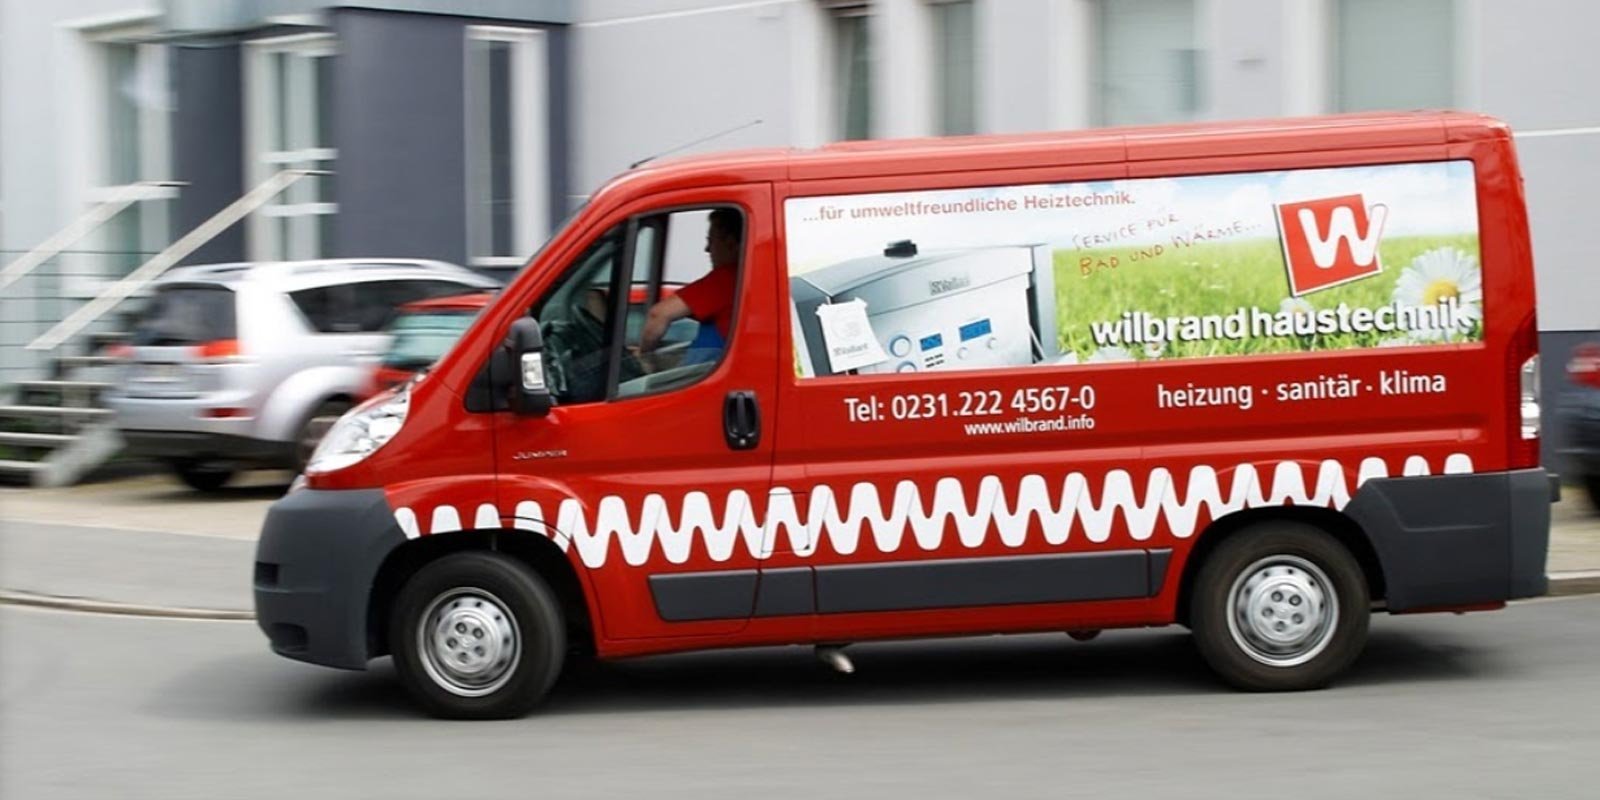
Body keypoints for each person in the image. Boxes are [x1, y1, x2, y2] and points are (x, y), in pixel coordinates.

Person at [638, 209, 741, 363]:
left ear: (731, 244)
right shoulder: (742, 279)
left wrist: (642, 355)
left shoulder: (727, 278)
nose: (707, 249)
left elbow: (658, 314)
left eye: (711, 241)